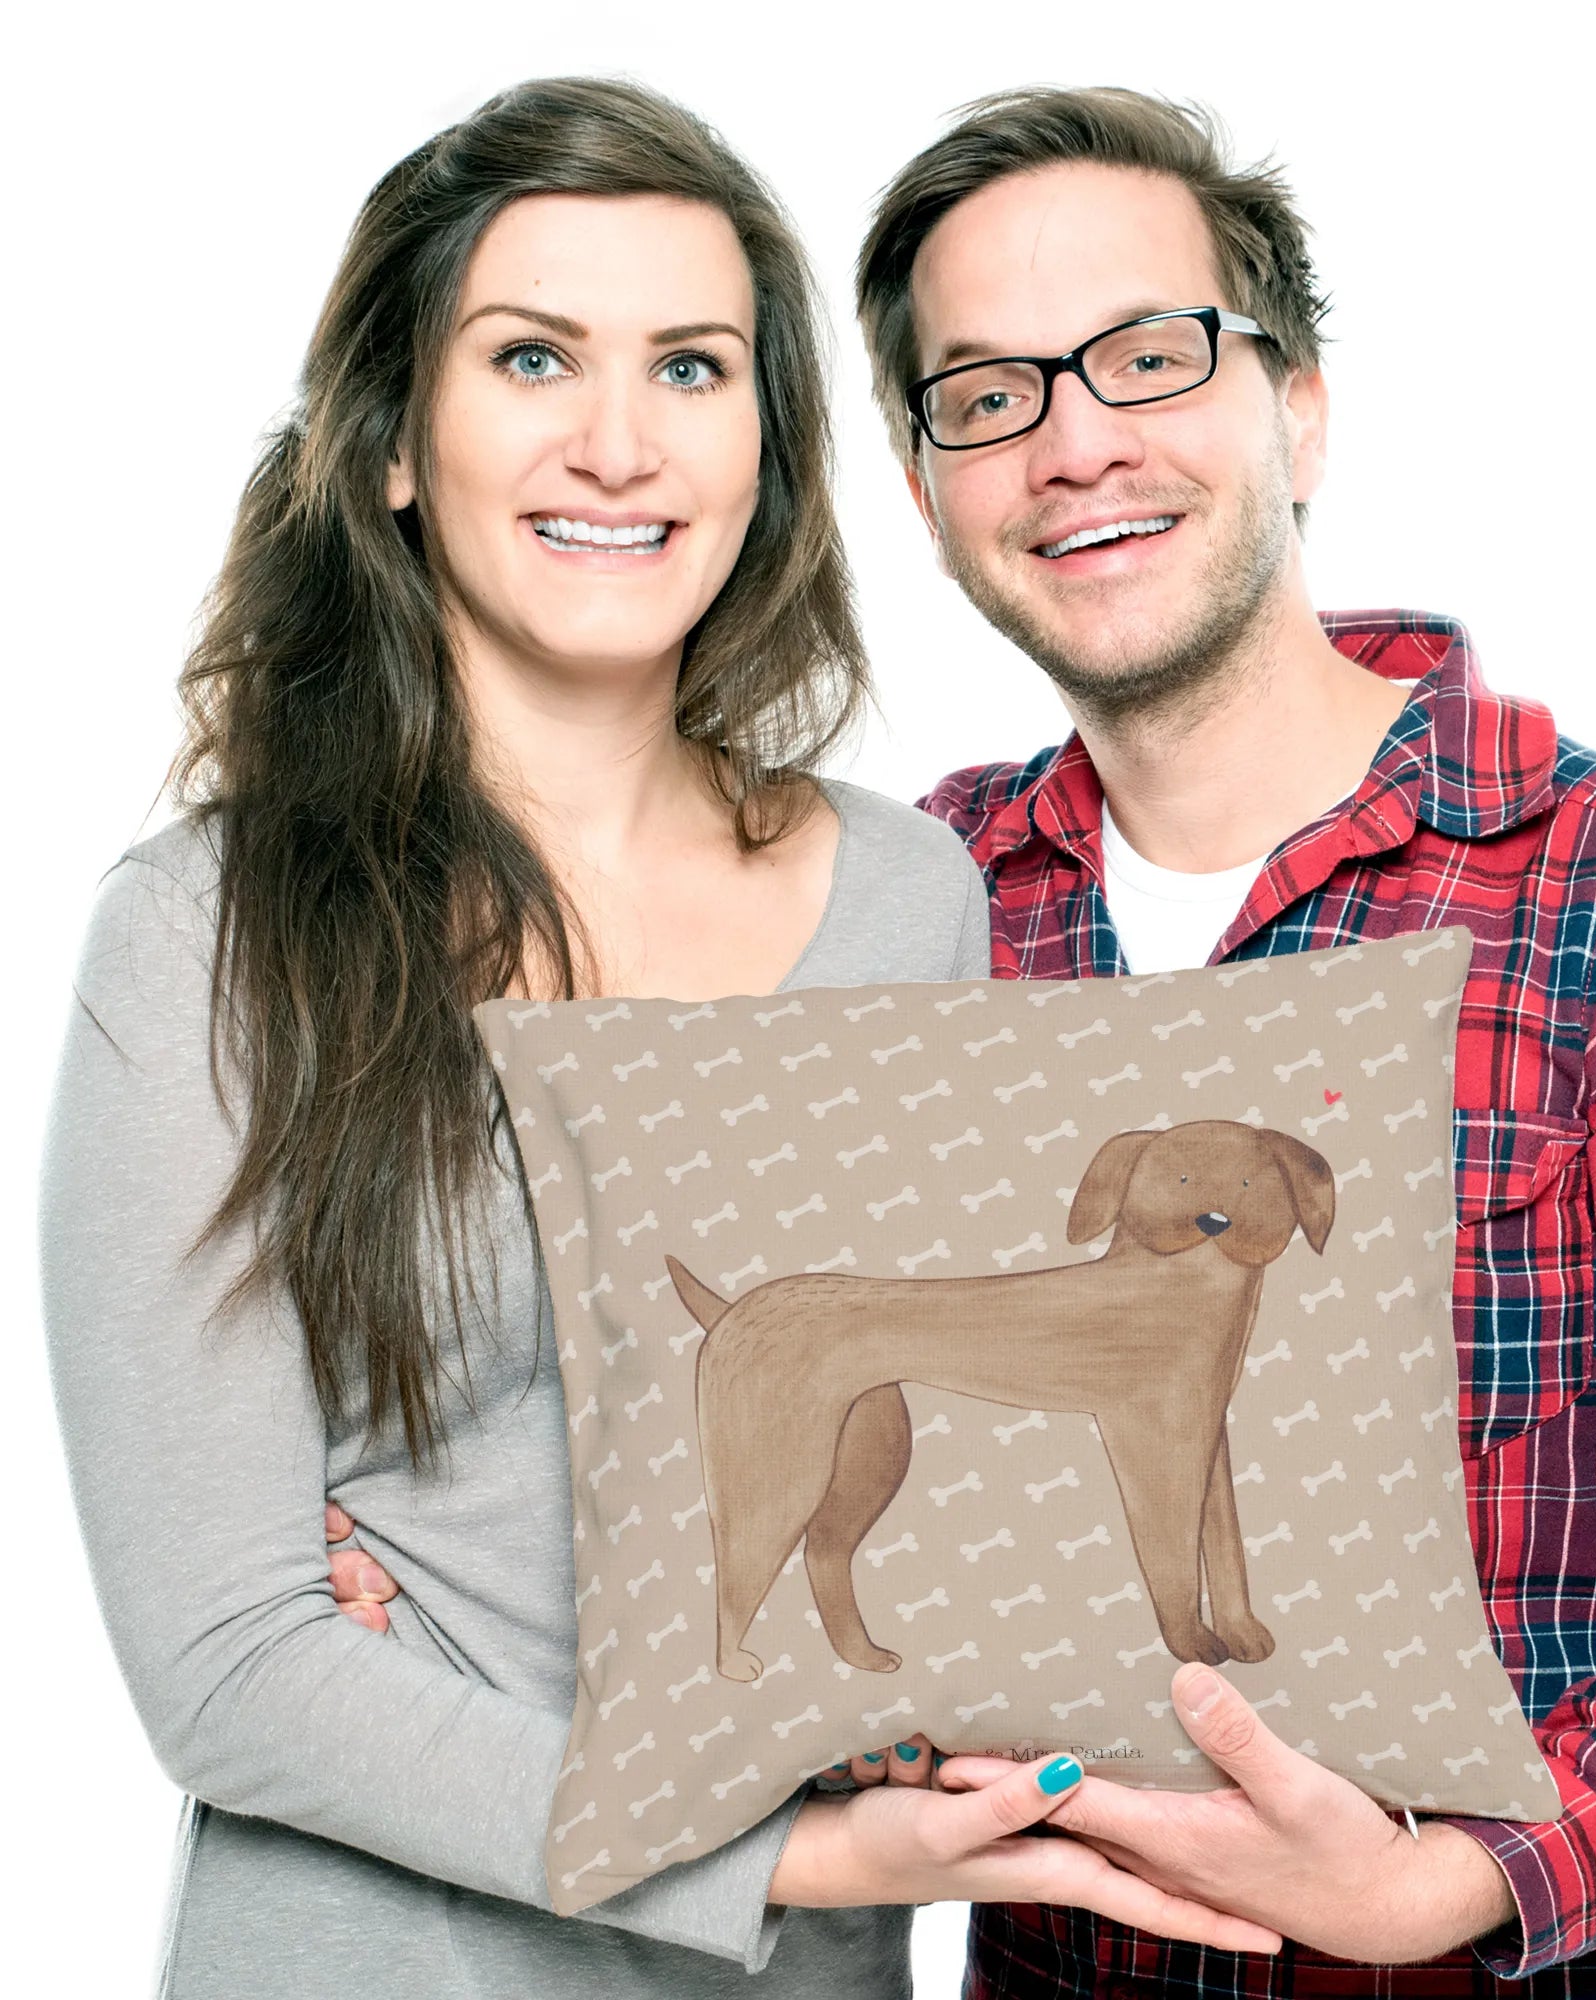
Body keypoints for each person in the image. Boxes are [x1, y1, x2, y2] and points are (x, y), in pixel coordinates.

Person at [324, 86, 1596, 1997]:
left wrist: (1460, 1880)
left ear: (1301, 408)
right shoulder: (914, 906)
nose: (1075, 441)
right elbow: (720, 1368)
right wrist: (425, 1558)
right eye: (988, 394)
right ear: (928, 489)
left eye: (1149, 355)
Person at [39, 76, 1281, 2000]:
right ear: (394, 440)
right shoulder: (210, 932)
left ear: (766, 448)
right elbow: (226, 1668)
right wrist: (788, 1848)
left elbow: (956, 1483)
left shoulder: (913, 898)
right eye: (533, 356)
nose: (618, 445)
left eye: (691, 368)